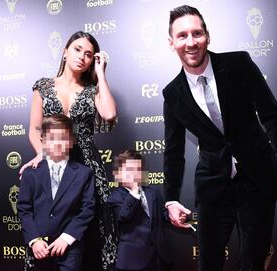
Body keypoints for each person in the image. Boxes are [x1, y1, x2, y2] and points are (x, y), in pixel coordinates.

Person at [163, 5, 277, 271]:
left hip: (257, 180)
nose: (191, 42)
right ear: (172, 43)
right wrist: (170, 198)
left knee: (253, 261)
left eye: (197, 33)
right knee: (209, 263)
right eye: (182, 36)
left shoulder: (239, 63)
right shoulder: (172, 94)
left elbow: (271, 115)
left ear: (208, 36)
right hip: (213, 186)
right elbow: (173, 150)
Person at [19, 31, 117, 270]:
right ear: (64, 51)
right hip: (51, 161)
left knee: (92, 224)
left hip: (88, 165)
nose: (82, 57)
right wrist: (42, 155)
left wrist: (101, 74)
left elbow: (109, 114)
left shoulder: (93, 89)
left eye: (89, 54)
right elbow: (34, 129)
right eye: (77, 49)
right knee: (47, 219)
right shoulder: (42, 86)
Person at [17, 114, 96, 271]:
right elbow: (24, 209)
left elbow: (87, 209)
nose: (58, 143)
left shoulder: (83, 173)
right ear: (43, 141)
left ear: (72, 141)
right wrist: (34, 240)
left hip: (70, 249)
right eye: (52, 138)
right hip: (40, 249)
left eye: (63, 138)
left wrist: (67, 238)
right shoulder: (30, 174)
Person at [107, 150, 172, 271]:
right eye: (129, 170)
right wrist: (134, 190)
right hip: (133, 261)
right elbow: (125, 216)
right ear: (118, 174)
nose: (134, 173)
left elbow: (161, 215)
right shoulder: (115, 197)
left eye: (138, 169)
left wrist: (174, 215)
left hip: (158, 258)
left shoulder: (154, 192)